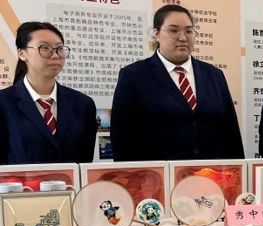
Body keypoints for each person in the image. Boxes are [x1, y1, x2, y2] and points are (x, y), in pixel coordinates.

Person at [110, 5, 244, 161]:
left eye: (189, 31)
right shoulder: (134, 76)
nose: (183, 38)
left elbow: (231, 132)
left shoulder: (214, 75)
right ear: (156, 34)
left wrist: (237, 170)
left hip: (211, 173)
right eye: (173, 31)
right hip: (159, 173)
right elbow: (123, 138)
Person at [0, 22, 96, 164]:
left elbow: (85, 162)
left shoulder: (83, 104)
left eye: (59, 48)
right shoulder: (4, 102)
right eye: (45, 48)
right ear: (22, 54)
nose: (55, 55)